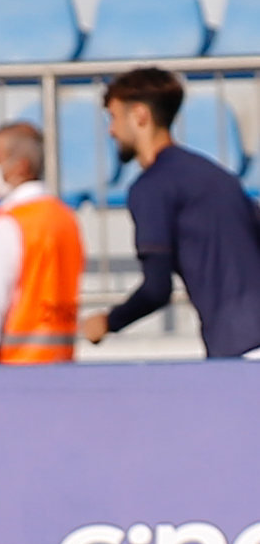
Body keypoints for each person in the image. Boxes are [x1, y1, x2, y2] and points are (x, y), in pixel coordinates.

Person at [81, 68, 260, 359]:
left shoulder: (152, 187)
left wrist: (108, 321)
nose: (111, 130)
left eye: (113, 117)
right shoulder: (217, 176)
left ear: (140, 115)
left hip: (241, 344)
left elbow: (156, 288)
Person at [0, 121, 84, 366]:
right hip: (60, 362)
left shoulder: (10, 223)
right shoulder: (65, 219)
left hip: (14, 365)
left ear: (21, 166)